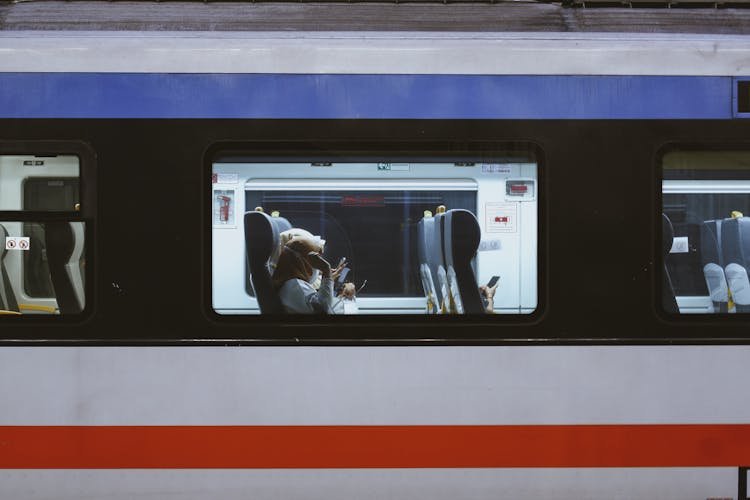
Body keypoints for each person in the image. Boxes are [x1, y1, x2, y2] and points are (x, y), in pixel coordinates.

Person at [272, 235, 343, 314]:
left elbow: (313, 302)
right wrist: (326, 271)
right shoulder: (295, 285)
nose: (317, 269)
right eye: (314, 262)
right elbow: (323, 311)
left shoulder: (291, 284)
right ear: (301, 262)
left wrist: (328, 280)